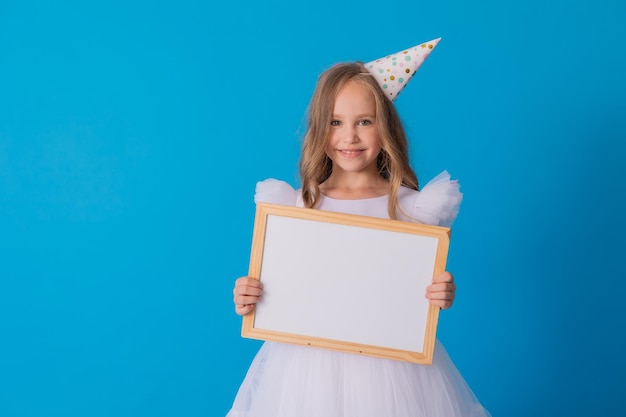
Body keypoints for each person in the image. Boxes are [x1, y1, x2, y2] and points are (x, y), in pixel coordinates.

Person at [228, 40, 491, 417]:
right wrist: (252, 295)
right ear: (320, 129)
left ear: (384, 128)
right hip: (306, 370)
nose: (349, 136)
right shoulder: (298, 206)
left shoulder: (410, 209)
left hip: (394, 371)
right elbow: (285, 286)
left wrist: (438, 294)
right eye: (336, 122)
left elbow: (414, 293)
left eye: (364, 122)